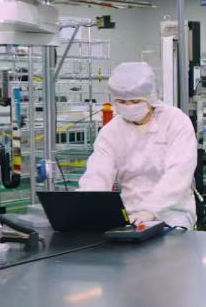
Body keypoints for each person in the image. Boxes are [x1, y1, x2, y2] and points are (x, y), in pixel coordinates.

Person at [79, 62, 198, 229]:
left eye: (135, 101)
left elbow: (178, 174)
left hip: (173, 213)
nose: (129, 107)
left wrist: (150, 210)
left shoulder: (175, 121)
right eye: (122, 101)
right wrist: (87, 203)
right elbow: (97, 174)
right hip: (130, 214)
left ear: (150, 97)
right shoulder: (111, 131)